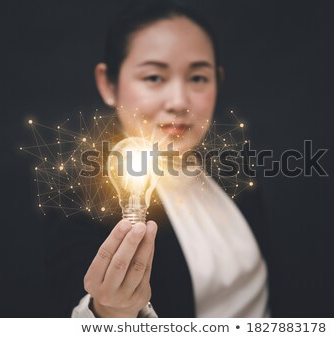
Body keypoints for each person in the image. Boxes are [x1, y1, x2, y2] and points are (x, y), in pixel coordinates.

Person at [46, 1, 271, 318]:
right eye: (153, 77)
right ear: (108, 83)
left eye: (198, 78)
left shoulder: (231, 165)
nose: (179, 101)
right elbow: (76, 303)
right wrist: (109, 311)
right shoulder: (80, 193)